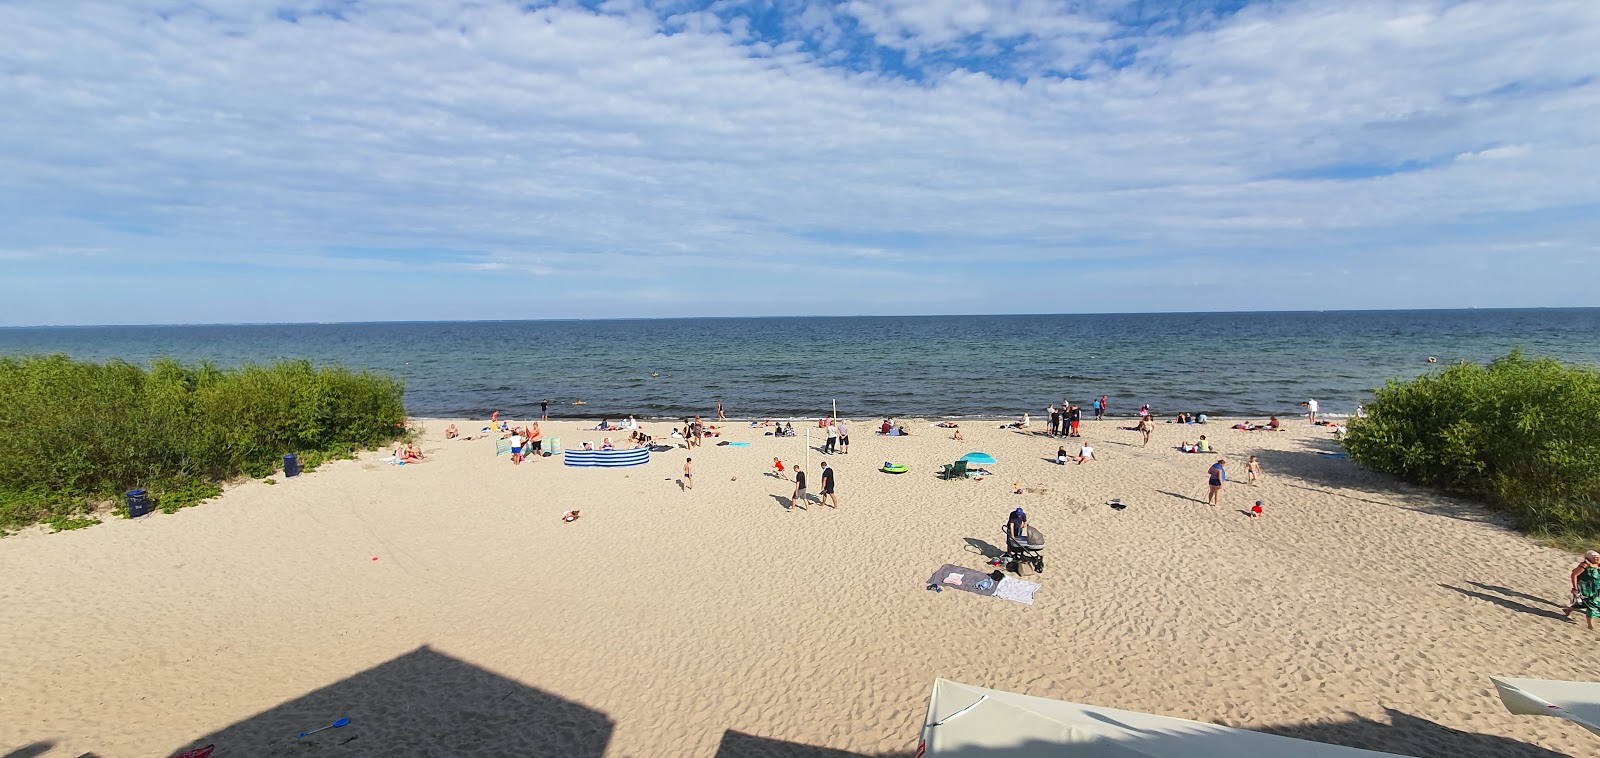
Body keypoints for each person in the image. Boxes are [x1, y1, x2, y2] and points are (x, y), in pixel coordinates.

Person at [1563, 551, 1600, 630]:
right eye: (1594, 557)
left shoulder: (1597, 565)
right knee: (1592, 606)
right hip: (1585, 589)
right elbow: (1574, 575)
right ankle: (1590, 625)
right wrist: (1575, 587)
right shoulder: (1584, 565)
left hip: (1595, 590)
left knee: (1584, 603)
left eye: (1598, 557)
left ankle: (1568, 610)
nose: (1597, 559)